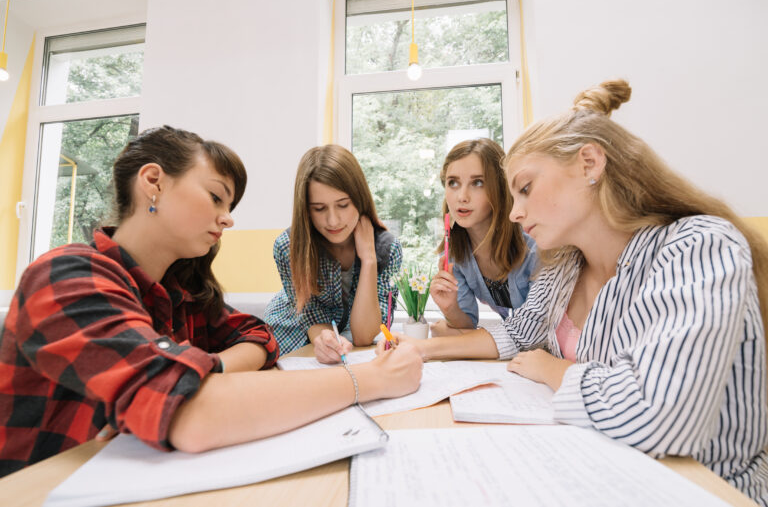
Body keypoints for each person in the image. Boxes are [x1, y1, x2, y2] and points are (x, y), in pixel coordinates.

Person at [379, 80, 768, 504]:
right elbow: (518, 334)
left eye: (525, 188)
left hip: (704, 488)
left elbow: (659, 415)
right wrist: (421, 349)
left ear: (589, 164)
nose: (515, 213)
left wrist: (553, 369)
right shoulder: (566, 265)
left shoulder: (698, 246)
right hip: (603, 469)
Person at [0, 127, 422, 477]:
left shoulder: (182, 290)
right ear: (154, 182)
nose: (228, 217)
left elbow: (259, 336)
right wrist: (374, 379)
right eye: (216, 197)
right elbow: (190, 413)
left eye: (229, 205)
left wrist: (207, 369)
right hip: (40, 486)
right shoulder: (67, 276)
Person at [265, 144, 402, 362]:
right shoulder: (287, 246)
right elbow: (311, 318)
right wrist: (326, 340)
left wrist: (368, 259)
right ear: (306, 210)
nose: (333, 220)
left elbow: (364, 335)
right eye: (319, 209)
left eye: (343, 205)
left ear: (359, 199)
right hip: (290, 336)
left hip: (351, 347)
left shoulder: (387, 249)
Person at [429, 139, 537, 336]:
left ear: (500, 188)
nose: (462, 196)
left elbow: (534, 329)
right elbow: (467, 324)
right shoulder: (455, 256)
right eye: (453, 183)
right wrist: (450, 307)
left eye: (477, 183)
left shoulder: (534, 246)